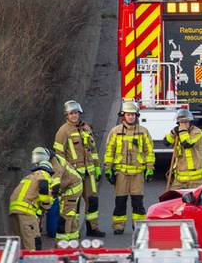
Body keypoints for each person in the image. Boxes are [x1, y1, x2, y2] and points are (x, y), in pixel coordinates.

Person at [54, 99, 105, 238]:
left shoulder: (86, 128)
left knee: (93, 201)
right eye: (71, 113)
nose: (74, 115)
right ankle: (73, 231)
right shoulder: (63, 132)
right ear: (67, 115)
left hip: (90, 173)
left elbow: (93, 150)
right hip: (73, 176)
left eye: (76, 113)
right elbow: (59, 156)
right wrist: (65, 173)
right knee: (73, 204)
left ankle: (93, 228)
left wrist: (97, 167)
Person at [104, 100, 155, 235]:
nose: (130, 117)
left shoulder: (143, 132)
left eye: (133, 115)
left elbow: (149, 152)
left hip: (137, 174)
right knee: (120, 202)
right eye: (128, 114)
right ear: (123, 116)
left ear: (136, 116)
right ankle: (118, 226)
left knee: (138, 203)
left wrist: (150, 169)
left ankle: (138, 226)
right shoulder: (115, 131)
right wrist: (108, 169)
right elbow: (110, 152)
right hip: (121, 173)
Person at [8, 146, 55, 251]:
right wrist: (46, 205)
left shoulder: (29, 177)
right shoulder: (44, 174)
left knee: (20, 245)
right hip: (26, 212)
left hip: (14, 211)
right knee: (33, 242)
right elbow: (43, 186)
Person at [166, 107, 202, 191]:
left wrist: (182, 130)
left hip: (196, 179)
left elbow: (187, 144)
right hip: (180, 179)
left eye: (185, 122)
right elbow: (166, 142)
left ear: (190, 122)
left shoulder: (197, 132)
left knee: (195, 202)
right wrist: (173, 132)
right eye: (181, 122)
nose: (183, 124)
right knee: (172, 199)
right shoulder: (178, 132)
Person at [51, 152, 84, 243]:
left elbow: (55, 184)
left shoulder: (56, 165)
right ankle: (73, 238)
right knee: (70, 214)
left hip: (72, 188)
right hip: (72, 185)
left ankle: (62, 242)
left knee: (65, 215)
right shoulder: (55, 160)